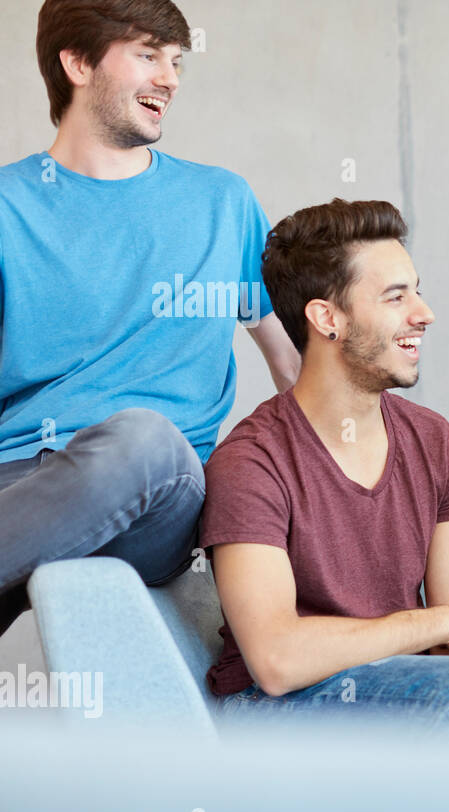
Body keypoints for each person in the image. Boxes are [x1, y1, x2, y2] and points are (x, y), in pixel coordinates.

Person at [201, 199, 449, 747]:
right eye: (395, 297)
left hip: (410, 688)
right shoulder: (251, 462)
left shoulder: (438, 445)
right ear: (327, 319)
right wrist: (436, 625)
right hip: (275, 706)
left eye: (416, 291)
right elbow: (276, 659)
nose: (424, 313)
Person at [0, 0, 301, 637]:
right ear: (77, 64)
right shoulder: (7, 206)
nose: (170, 78)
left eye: (176, 61)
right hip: (18, 477)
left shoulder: (222, 202)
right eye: (147, 56)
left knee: (145, 440)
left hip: (158, 495)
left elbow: (295, 366)